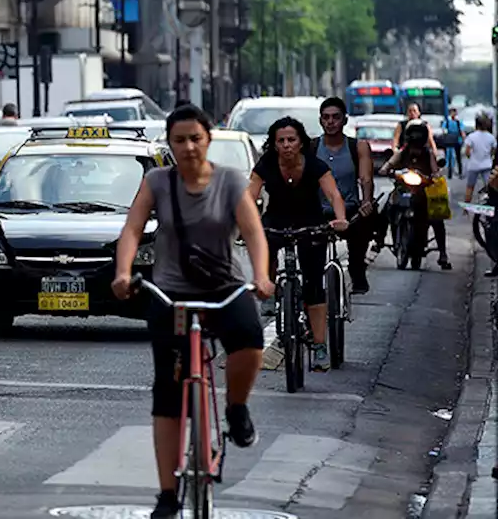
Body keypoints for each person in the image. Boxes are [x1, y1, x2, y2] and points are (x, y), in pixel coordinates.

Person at [113, 104, 272, 519]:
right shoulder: (157, 182)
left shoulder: (230, 182)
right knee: (167, 390)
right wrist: (124, 272)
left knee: (250, 339)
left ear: (208, 139)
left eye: (195, 138)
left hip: (224, 289)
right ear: (169, 144)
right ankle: (167, 495)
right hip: (171, 296)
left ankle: (237, 408)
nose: (188, 147)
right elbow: (132, 228)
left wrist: (262, 276)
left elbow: (253, 232)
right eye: (179, 140)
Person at [248, 117, 348, 372]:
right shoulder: (266, 164)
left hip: (310, 221)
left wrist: (339, 219)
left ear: (301, 142)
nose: (286, 145)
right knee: (264, 245)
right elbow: (250, 195)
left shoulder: (315, 165)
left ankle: (319, 345)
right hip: (276, 220)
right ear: (274, 144)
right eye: (281, 141)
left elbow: (334, 194)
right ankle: (270, 292)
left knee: (314, 283)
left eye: (291, 140)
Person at [313, 98, 376, 295]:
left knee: (364, 226)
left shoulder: (358, 147)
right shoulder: (311, 147)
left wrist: (366, 201)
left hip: (349, 210)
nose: (331, 122)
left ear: (345, 120)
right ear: (320, 121)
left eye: (336, 117)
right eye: (326, 118)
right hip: (319, 211)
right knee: (312, 258)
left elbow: (366, 178)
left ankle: (357, 270)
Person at [378, 119, 451, 270]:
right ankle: (379, 241)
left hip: (422, 192)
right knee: (385, 208)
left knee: (437, 218)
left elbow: (435, 170)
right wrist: (387, 170)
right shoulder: (403, 151)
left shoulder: (428, 153)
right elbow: (389, 164)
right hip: (402, 189)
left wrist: (435, 176)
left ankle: (443, 253)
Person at [462, 112, 495, 204]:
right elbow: (493, 150)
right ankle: (490, 203)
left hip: (473, 165)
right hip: (487, 165)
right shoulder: (491, 137)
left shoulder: (471, 136)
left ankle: (466, 207)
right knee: (489, 186)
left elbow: (467, 151)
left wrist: (471, 157)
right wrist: (489, 156)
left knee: (470, 187)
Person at [440, 107, 465, 178]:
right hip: (449, 141)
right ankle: (449, 171)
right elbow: (443, 129)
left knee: (458, 157)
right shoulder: (447, 121)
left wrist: (463, 137)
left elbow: (462, 130)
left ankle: (460, 172)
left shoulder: (458, 122)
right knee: (449, 155)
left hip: (457, 141)